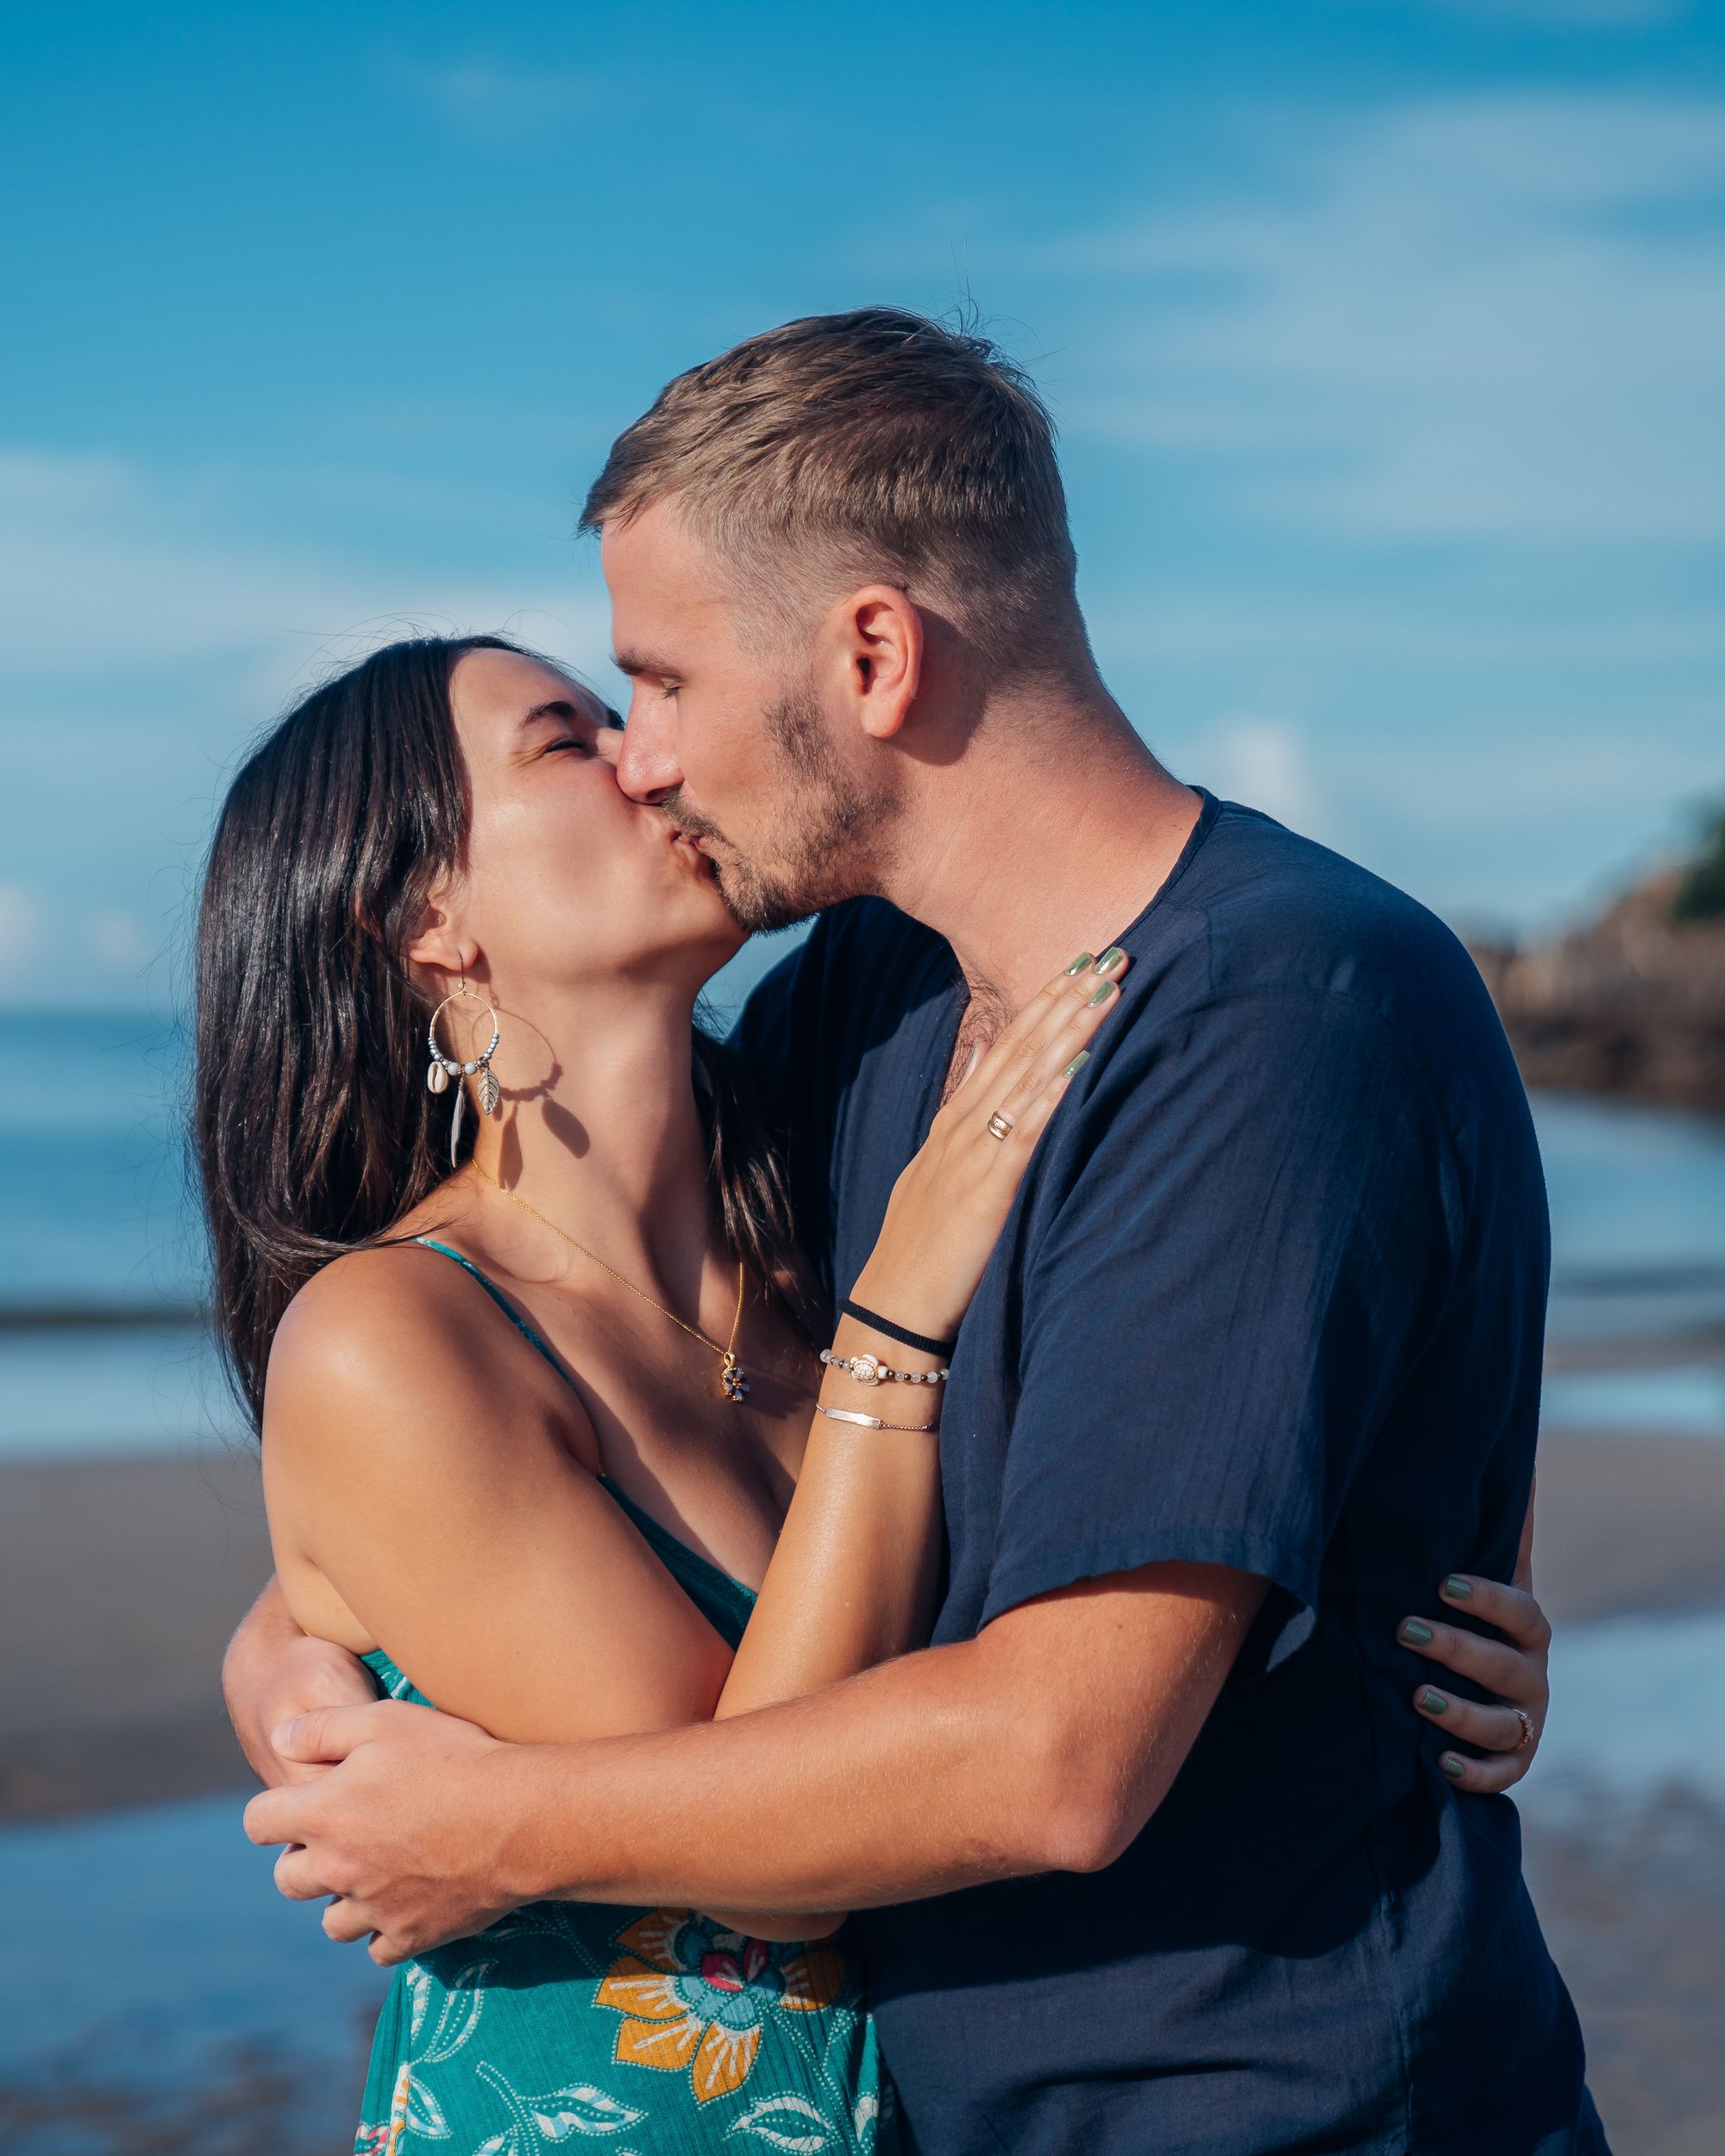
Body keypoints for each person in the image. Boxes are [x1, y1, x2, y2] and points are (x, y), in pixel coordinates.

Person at [232, 310, 1599, 2155]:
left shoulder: (1274, 1005)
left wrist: (484, 1824)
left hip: (1283, 2107)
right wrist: (308, 1640)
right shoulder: (868, 1006)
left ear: (869, 652)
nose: (646, 760)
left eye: (656, 683)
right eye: (597, 717)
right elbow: (496, 1408)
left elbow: (1059, 1752)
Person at [198, 630, 1137, 2151]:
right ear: (424, 914)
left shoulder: (815, 1217)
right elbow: (781, 1858)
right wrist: (899, 1324)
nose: (649, 758)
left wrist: (1453, 1569)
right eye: (566, 741)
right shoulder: (395, 1335)